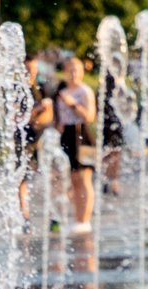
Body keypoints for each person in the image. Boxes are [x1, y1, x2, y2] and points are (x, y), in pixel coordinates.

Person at [53, 58, 96, 234]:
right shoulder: (61, 91)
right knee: (72, 179)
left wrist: (73, 105)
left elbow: (90, 116)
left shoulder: (85, 91)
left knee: (84, 178)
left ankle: (84, 220)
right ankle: (77, 218)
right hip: (66, 136)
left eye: (77, 70)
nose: (73, 74)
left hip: (83, 135)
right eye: (70, 70)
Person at [101, 70, 124, 196]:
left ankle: (108, 180)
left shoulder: (103, 93)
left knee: (109, 154)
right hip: (114, 126)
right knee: (114, 154)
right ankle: (112, 182)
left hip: (108, 126)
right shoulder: (119, 92)